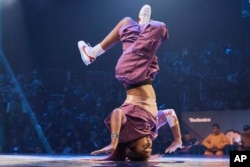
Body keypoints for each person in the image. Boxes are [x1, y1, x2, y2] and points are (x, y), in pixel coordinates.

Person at [77, 4, 182, 161]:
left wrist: (114, 141)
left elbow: (117, 113)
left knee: (158, 28)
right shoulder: (151, 128)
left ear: (131, 146)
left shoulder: (129, 130)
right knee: (126, 23)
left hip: (132, 73)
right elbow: (170, 114)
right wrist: (177, 140)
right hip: (144, 72)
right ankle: (93, 53)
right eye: (150, 148)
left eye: (144, 147)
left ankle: (142, 26)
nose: (149, 144)